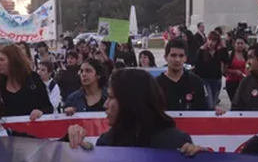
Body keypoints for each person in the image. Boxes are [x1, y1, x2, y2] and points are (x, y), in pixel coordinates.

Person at [68, 68, 206, 154]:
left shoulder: (176, 143)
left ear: (130, 101)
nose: (105, 105)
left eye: (111, 97)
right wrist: (71, 143)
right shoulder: (107, 142)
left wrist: (201, 161)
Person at [0, 44, 53, 119]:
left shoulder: (33, 80)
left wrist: (40, 112)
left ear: (13, 60)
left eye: (2, 60)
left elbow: (48, 108)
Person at [157, 39, 211, 111]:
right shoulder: (156, 85)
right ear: (166, 57)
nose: (177, 59)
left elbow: (204, 111)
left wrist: (216, 112)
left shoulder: (196, 82)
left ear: (185, 58)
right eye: (173, 55)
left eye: (181, 56)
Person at [194, 30, 227, 106]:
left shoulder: (219, 52)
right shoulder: (201, 51)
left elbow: (226, 60)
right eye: (209, 39)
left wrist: (224, 47)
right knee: (209, 102)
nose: (211, 42)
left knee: (214, 102)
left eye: (214, 40)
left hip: (216, 79)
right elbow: (197, 67)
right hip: (204, 79)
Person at [224, 35, 248, 103]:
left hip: (244, 82)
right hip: (231, 82)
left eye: (242, 43)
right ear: (234, 44)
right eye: (238, 43)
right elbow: (224, 70)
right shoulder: (230, 55)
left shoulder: (247, 55)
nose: (240, 45)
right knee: (235, 102)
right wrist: (235, 72)